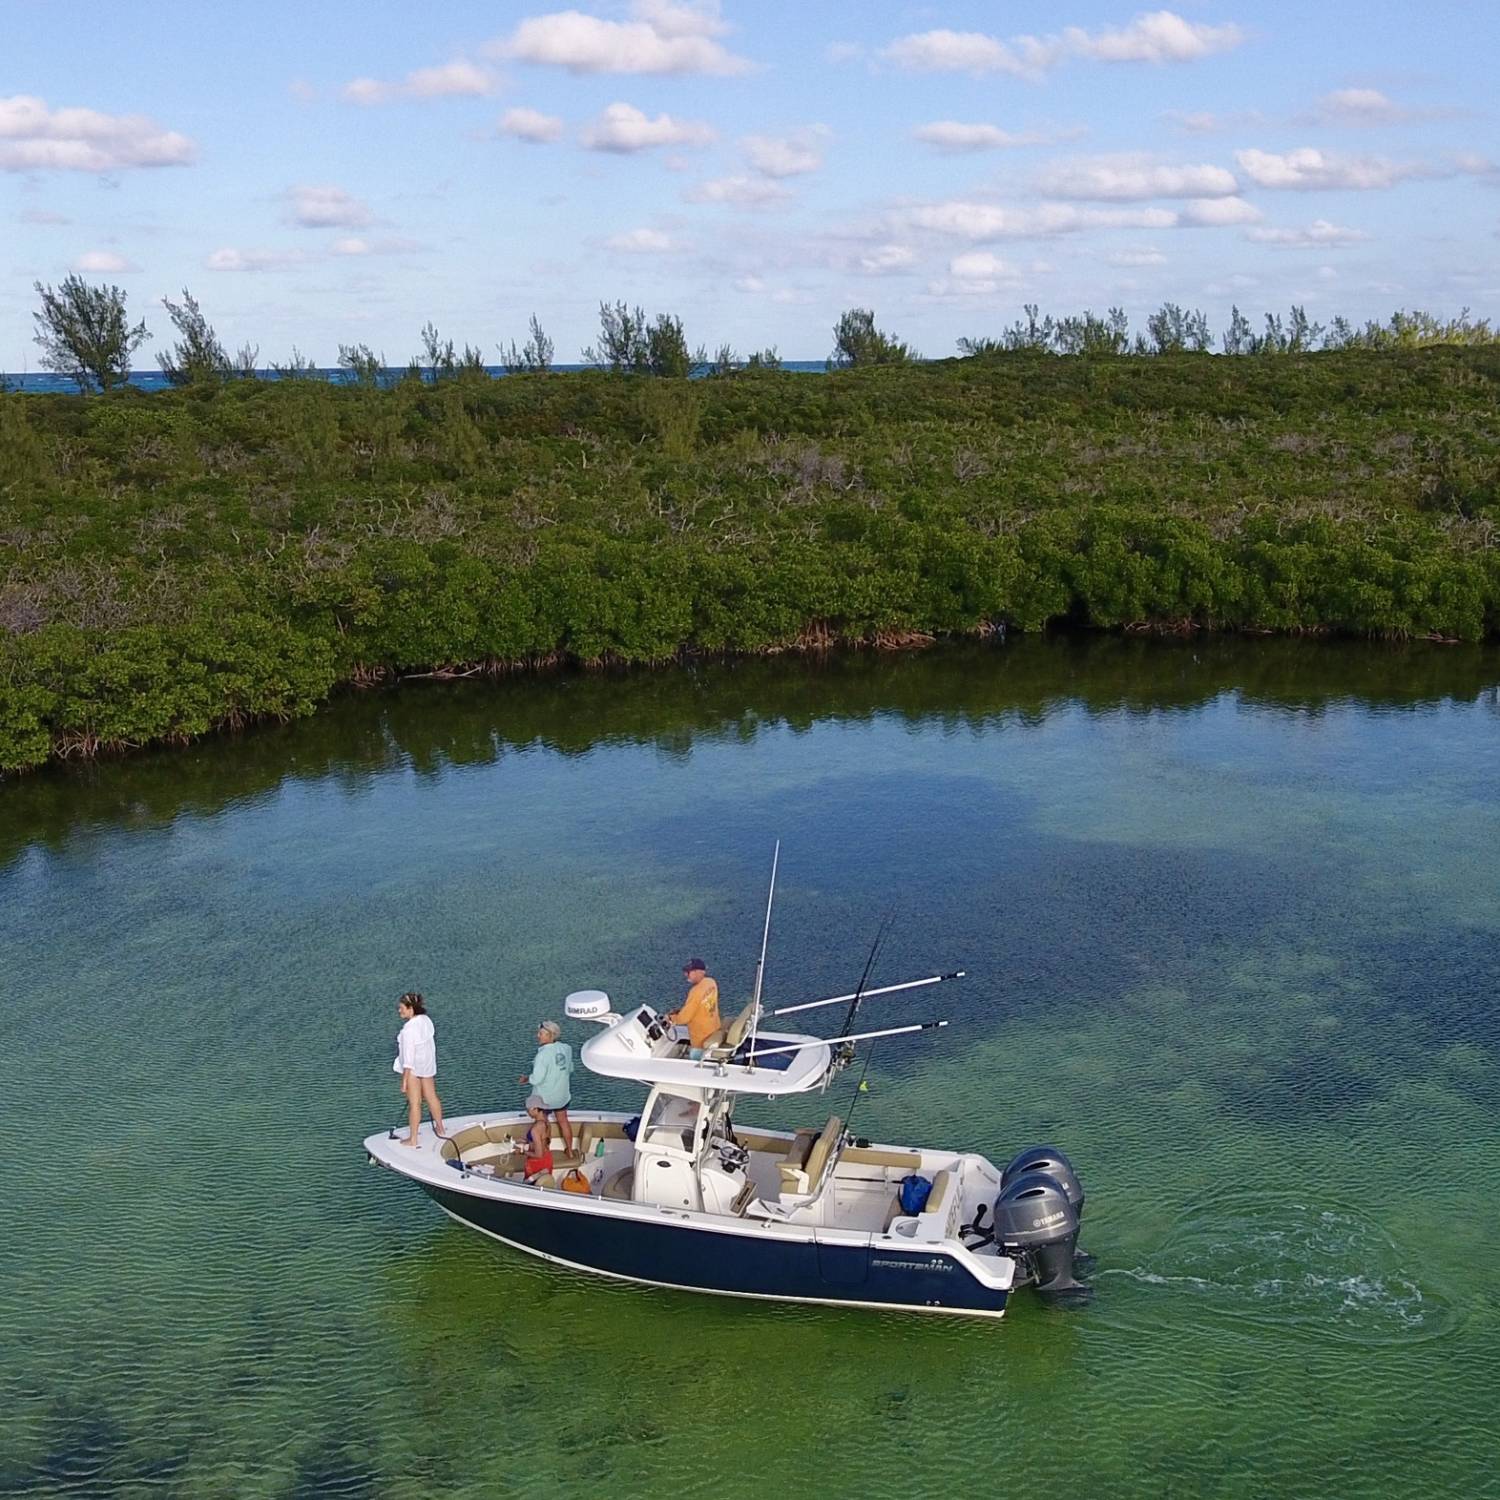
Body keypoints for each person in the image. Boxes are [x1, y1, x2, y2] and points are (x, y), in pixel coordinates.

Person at [393, 992, 445, 1148]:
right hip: (427, 1064)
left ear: (410, 1009)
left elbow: (408, 1059)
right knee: (431, 1096)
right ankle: (440, 1127)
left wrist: (404, 1081)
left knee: (414, 1103)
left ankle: (413, 1139)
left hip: (414, 1069)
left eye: (402, 1008)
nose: (399, 1011)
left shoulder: (409, 1030)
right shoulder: (426, 1021)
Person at [519, 1020, 574, 1160]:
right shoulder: (567, 1048)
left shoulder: (542, 1055)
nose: (538, 1036)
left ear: (551, 1035)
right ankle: (570, 1151)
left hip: (545, 1099)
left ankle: (544, 1150)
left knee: (544, 1123)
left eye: (541, 1033)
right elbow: (570, 1068)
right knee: (563, 1121)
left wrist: (526, 1079)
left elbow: (537, 1079)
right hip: (562, 1096)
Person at [669, 958, 720, 1058]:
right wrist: (680, 1011)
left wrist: (671, 1018)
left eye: (688, 972)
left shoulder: (695, 991)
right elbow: (700, 1006)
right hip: (714, 1029)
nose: (685, 974)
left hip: (701, 1041)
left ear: (699, 972)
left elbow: (683, 1019)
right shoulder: (711, 982)